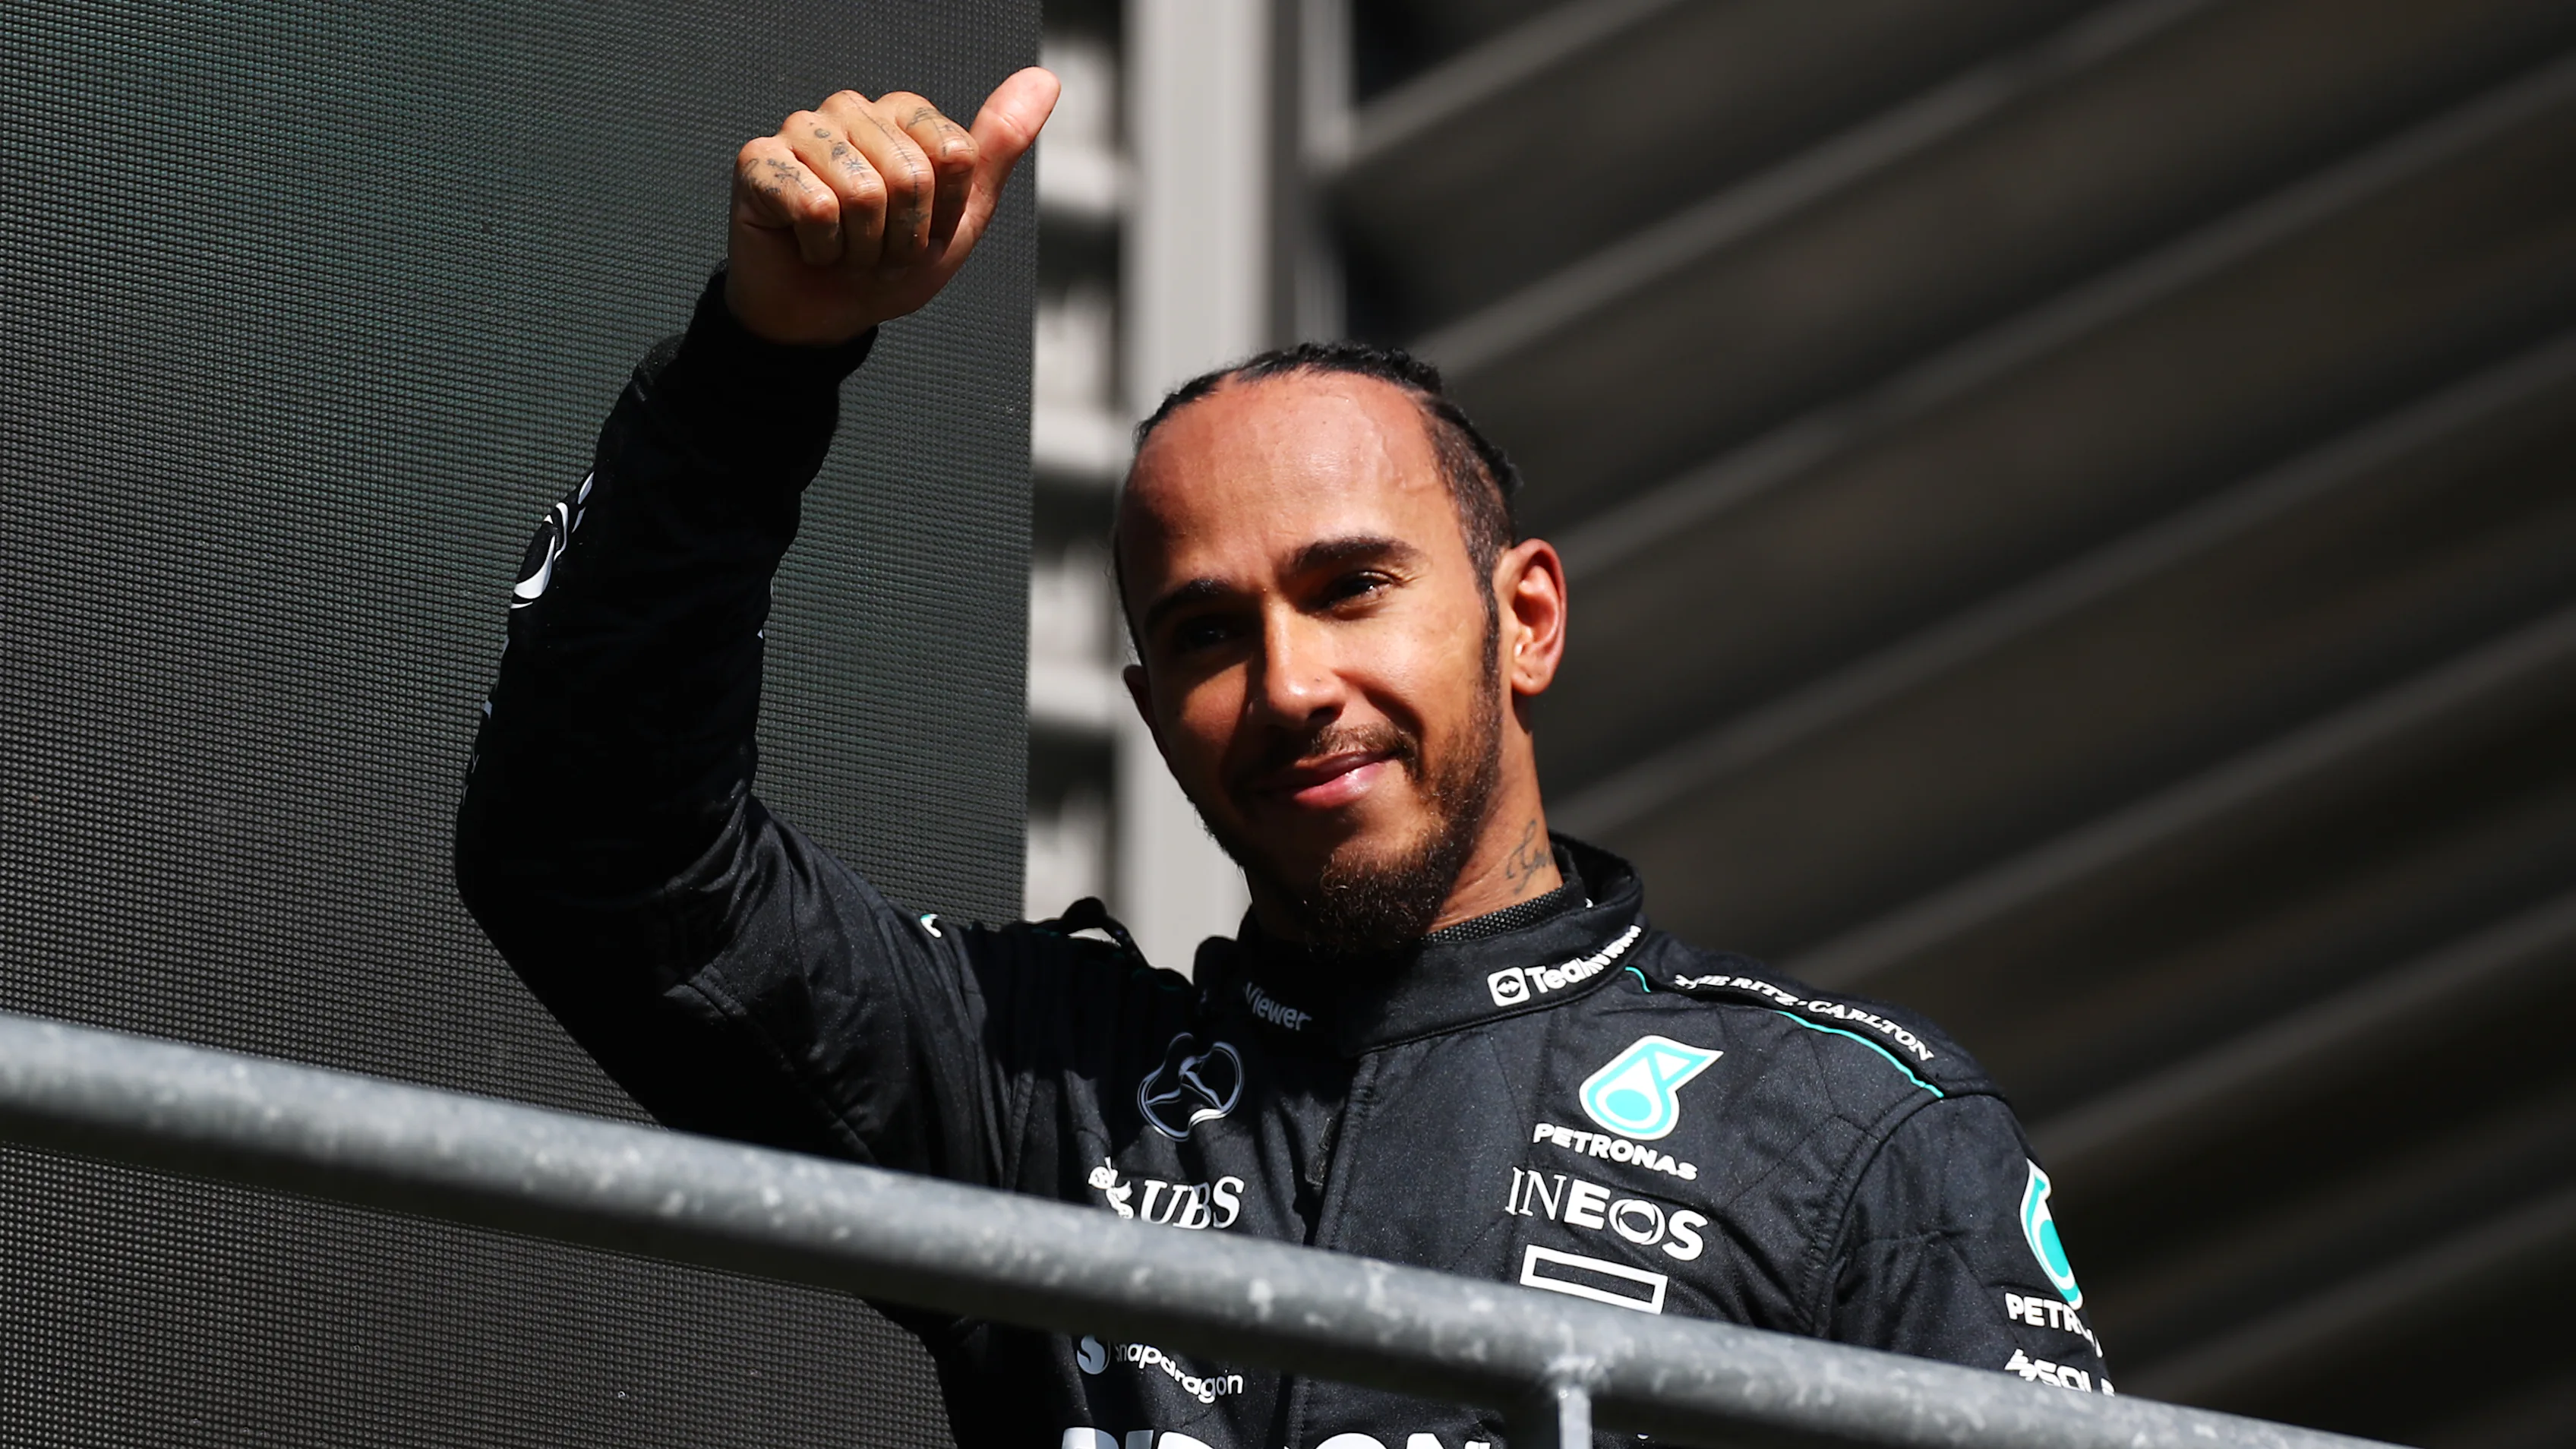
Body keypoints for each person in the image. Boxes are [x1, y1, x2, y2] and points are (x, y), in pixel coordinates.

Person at [456, 68, 2110, 1449]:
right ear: (1148, 700)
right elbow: (596, 854)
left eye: (1351, 589)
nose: (1290, 683)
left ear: (1524, 618)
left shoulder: (1845, 1121)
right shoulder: (1043, 1095)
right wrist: (769, 359)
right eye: (1203, 635)